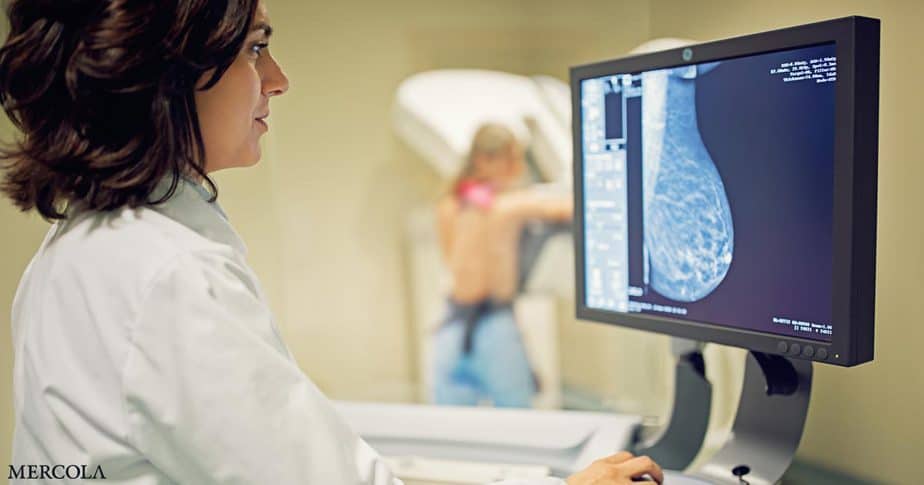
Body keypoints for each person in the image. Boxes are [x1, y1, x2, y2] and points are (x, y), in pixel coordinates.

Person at [0, 1, 663, 483]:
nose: (278, 78)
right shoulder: (167, 274)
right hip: (477, 329)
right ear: (168, 69)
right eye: (256, 47)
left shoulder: (72, 250)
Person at [432, 123, 571, 407]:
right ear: (484, 160)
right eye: (512, 159)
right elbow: (571, 208)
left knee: (452, 422)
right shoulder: (508, 206)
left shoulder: (449, 206)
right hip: (490, 326)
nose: (519, 167)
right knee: (516, 415)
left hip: (451, 326)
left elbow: (451, 261)